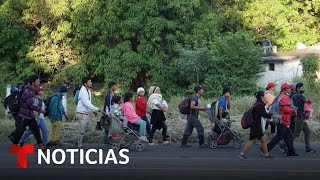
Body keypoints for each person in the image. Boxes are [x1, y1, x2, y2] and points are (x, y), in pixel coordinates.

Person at [238, 91, 281, 160]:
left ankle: (266, 155)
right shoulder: (259, 105)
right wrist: (276, 116)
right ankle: (242, 154)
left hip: (257, 125)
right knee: (251, 140)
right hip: (256, 126)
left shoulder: (258, 104)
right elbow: (265, 115)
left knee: (263, 139)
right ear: (261, 97)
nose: (266, 98)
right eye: (264, 96)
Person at [12, 74, 46, 149]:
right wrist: (41, 110)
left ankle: (41, 145)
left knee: (36, 130)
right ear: (32, 82)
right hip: (24, 115)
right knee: (19, 132)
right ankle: (14, 146)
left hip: (29, 115)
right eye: (37, 81)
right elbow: (31, 105)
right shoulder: (28, 92)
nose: (38, 82)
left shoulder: (31, 90)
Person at [267, 83, 299, 157]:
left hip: (282, 119)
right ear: (285, 89)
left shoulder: (281, 96)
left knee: (289, 136)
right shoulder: (284, 97)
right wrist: (294, 110)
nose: (290, 89)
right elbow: (285, 109)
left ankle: (291, 152)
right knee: (279, 137)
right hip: (283, 120)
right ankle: (266, 148)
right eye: (289, 88)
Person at [75, 77, 100, 148]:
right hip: (81, 113)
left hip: (85, 113)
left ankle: (77, 139)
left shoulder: (88, 91)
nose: (91, 83)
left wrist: (93, 111)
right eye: (89, 82)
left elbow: (88, 103)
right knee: (83, 130)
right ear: (85, 84)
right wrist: (96, 109)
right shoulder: (82, 91)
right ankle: (79, 144)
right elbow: (86, 103)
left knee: (88, 129)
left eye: (91, 81)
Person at [292, 82, 316, 153]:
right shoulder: (300, 96)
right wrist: (310, 102)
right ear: (298, 88)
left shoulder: (294, 95)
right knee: (296, 134)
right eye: (302, 88)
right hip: (300, 118)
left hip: (300, 117)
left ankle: (308, 148)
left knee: (307, 132)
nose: (303, 89)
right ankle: (284, 144)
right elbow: (308, 101)